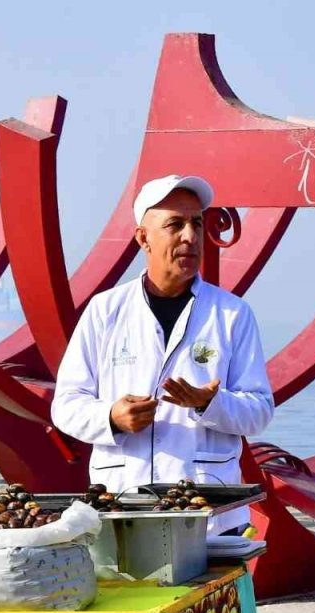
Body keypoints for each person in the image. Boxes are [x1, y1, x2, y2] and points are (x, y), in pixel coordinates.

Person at [51, 174, 274, 532]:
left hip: (211, 512)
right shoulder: (105, 311)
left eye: (197, 224)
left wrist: (209, 403)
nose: (190, 237)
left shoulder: (231, 314)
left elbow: (260, 411)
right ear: (144, 239)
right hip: (122, 505)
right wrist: (112, 417)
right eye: (175, 225)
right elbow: (66, 406)